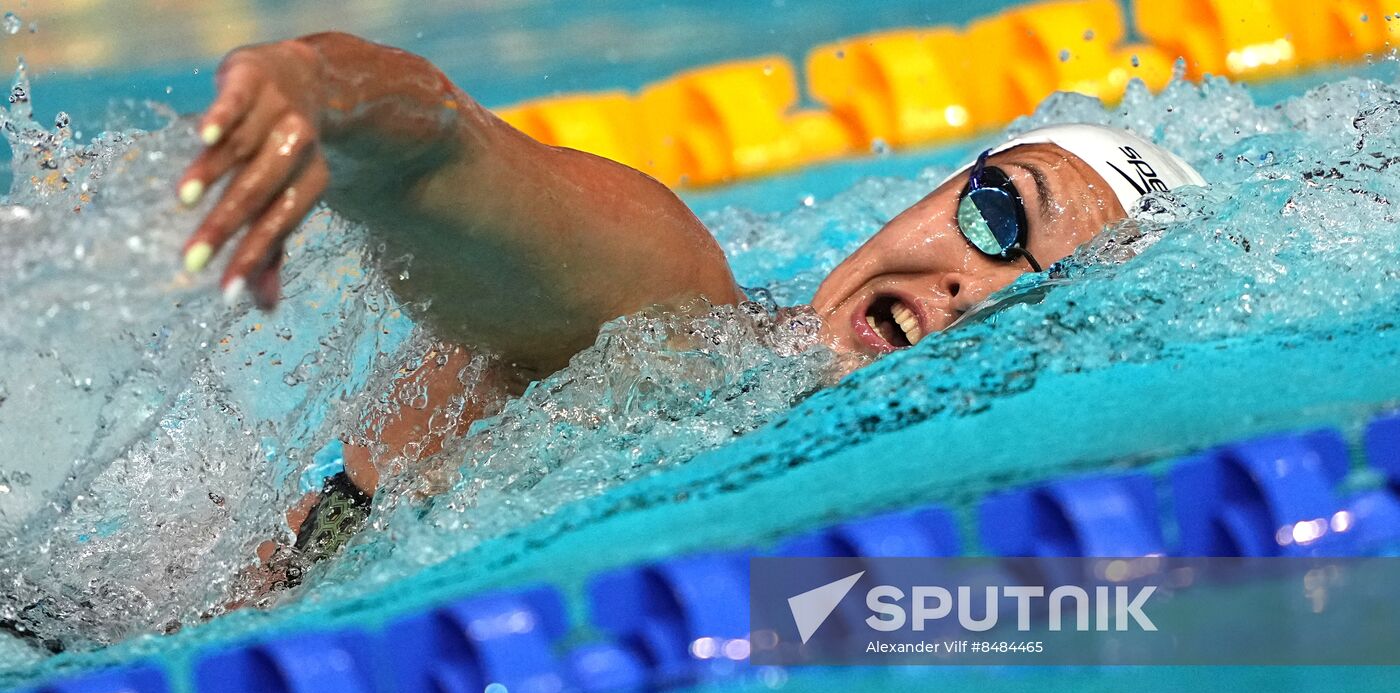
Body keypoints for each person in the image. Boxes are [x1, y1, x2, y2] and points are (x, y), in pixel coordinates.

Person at [175, 33, 1204, 577]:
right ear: (936, 188)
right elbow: (451, 150)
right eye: (992, 214)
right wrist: (314, 90)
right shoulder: (667, 311)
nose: (972, 289)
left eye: (1044, 298)